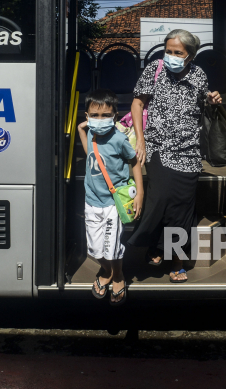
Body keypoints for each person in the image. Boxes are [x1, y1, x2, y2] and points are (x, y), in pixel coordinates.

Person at [127, 29, 222, 283]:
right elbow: (137, 103)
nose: (171, 56)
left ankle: (174, 258)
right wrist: (141, 139)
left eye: (177, 53)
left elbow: (204, 105)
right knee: (161, 197)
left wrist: (213, 100)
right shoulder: (155, 70)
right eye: (168, 51)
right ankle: (155, 245)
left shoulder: (199, 75)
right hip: (159, 146)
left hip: (189, 150)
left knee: (182, 206)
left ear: (190, 55)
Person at [77, 89, 144, 305]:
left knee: (113, 246)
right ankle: (105, 269)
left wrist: (140, 193)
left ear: (114, 115)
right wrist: (80, 129)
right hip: (92, 201)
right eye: (94, 115)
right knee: (95, 248)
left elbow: (134, 162)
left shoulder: (119, 139)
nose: (100, 119)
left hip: (112, 203)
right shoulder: (90, 133)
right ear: (87, 116)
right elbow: (90, 155)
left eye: (105, 115)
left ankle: (117, 275)